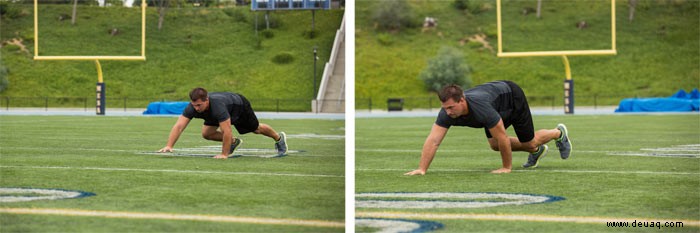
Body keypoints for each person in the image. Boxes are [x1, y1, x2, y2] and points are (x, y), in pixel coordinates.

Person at [404, 81, 571, 174]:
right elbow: (433, 140)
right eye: (444, 108)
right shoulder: (446, 113)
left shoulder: (481, 108)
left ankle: (558, 133)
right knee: (494, 145)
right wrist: (421, 169)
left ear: (462, 101)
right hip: (496, 104)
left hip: (512, 97)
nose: (447, 112)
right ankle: (537, 152)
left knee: (529, 141)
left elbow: (503, 137)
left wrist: (506, 168)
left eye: (451, 107)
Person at [158, 87, 287, 159]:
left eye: (199, 105)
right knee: (206, 133)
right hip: (219, 110)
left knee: (256, 129)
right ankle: (233, 142)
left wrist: (224, 154)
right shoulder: (192, 107)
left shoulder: (218, 107)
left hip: (238, 106)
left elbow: (227, 131)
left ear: (206, 100)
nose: (196, 108)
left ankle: (278, 138)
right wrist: (169, 146)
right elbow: (179, 126)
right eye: (194, 105)